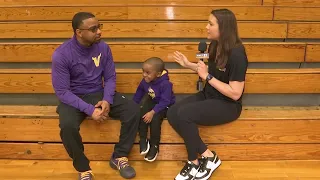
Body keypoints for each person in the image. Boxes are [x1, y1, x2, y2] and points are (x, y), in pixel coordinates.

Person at [51, 12, 140, 180]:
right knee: (67, 126)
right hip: (73, 97)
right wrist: (89, 110)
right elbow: (62, 92)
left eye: (99, 26)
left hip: (98, 93)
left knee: (133, 110)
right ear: (79, 32)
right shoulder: (61, 54)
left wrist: (107, 99)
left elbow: (111, 77)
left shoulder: (103, 47)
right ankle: (83, 168)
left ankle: (119, 156)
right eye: (93, 29)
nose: (99, 32)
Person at [167, 9, 248, 180]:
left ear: (223, 28)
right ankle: (208, 156)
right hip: (209, 95)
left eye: (211, 24)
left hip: (228, 105)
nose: (206, 27)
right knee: (173, 112)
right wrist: (188, 64)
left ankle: (193, 161)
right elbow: (205, 71)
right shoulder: (214, 45)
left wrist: (207, 77)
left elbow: (235, 93)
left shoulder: (238, 54)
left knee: (185, 114)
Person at [133, 57, 175, 162]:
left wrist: (152, 112)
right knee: (141, 111)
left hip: (166, 106)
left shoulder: (166, 84)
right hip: (154, 102)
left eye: (148, 72)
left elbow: (165, 101)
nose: (144, 75)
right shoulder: (145, 81)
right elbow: (139, 93)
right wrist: (133, 106)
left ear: (158, 74)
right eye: (143, 71)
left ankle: (154, 146)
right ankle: (143, 139)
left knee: (155, 119)